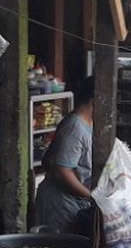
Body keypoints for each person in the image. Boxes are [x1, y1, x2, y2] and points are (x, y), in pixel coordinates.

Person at [34, 77, 95, 234]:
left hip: (75, 200)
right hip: (60, 203)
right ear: (95, 99)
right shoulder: (75, 126)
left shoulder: (90, 123)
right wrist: (90, 196)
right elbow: (63, 169)